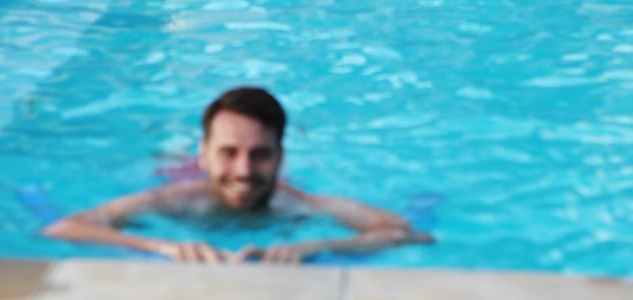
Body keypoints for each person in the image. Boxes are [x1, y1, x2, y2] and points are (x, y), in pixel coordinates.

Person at [43, 87, 434, 264]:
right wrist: (163, 248)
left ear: (281, 158)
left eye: (260, 155)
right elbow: (64, 228)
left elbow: (403, 232)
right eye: (228, 153)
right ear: (204, 155)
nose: (244, 172)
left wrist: (313, 246)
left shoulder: (297, 206)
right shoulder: (175, 201)